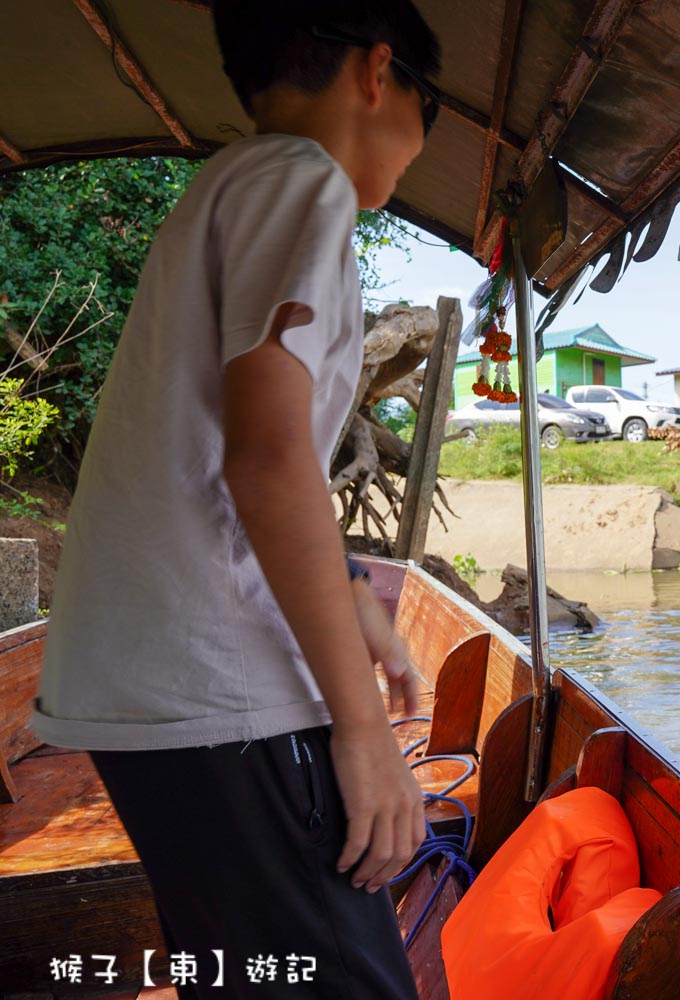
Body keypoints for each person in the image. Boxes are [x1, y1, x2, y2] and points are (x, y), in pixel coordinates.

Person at [30, 3, 440, 996]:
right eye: (431, 109)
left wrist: (344, 588)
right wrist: (363, 733)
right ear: (379, 73)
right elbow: (265, 457)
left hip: (151, 689)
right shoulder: (304, 179)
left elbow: (226, 453)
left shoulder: (229, 188)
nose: (423, 148)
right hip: (219, 690)